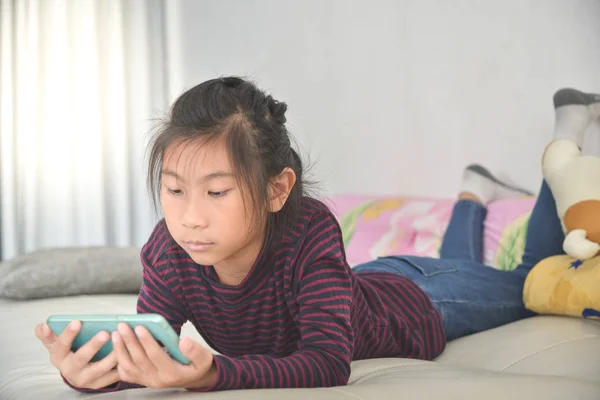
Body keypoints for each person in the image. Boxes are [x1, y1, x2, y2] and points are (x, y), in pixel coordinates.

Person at [35, 78, 600, 392]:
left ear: (278, 190)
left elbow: (328, 363)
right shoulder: (167, 249)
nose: (189, 217)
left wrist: (214, 374)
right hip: (360, 286)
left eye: (216, 191)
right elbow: (150, 352)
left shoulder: (308, 229)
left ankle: (565, 139)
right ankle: (474, 195)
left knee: (532, 280)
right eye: (174, 189)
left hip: (419, 300)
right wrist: (93, 374)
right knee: (474, 269)